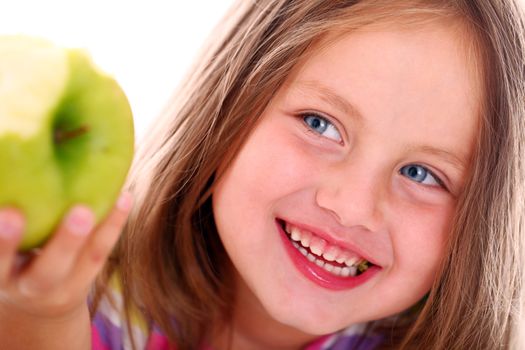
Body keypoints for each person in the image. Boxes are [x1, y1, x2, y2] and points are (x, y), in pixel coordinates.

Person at [1, 0, 524, 349]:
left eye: (421, 173)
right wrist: (43, 318)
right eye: (320, 124)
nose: (352, 205)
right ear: (227, 111)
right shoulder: (84, 283)